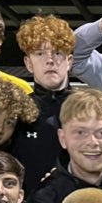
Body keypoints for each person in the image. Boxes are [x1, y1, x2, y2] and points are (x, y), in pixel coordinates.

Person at [11, 13, 77, 193]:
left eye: (57, 52)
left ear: (69, 61)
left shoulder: (87, 107)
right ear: (28, 63)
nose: (50, 60)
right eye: (40, 53)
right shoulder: (16, 111)